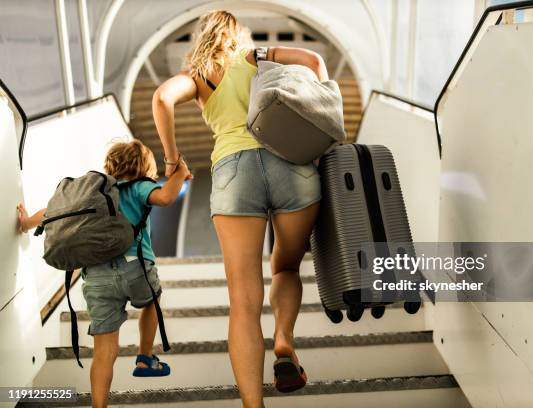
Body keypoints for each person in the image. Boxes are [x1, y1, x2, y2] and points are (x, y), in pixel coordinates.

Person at [152, 10, 325, 407]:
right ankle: (284, 342)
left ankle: (253, 404)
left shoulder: (197, 76)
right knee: (284, 265)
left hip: (233, 174)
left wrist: (172, 161)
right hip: (291, 164)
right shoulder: (258, 55)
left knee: (243, 301)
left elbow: (162, 98)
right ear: (237, 34)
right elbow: (315, 63)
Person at [17, 140, 192, 408]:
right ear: (144, 167)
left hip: (97, 280)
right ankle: (145, 357)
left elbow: (50, 214)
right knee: (153, 301)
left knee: (103, 352)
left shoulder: (94, 194)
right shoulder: (138, 187)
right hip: (136, 268)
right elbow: (166, 197)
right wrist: (180, 173)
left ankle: (99, 406)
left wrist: (27, 222)